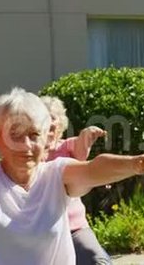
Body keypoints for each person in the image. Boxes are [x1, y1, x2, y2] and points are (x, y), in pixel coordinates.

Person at [0, 87, 144, 265]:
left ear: (47, 138)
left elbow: (93, 169)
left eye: (34, 134)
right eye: (15, 135)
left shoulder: (56, 174)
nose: (26, 145)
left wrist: (135, 164)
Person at [41, 96, 111, 265]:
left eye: (53, 121)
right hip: (42, 231)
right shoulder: (28, 153)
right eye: (43, 120)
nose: (49, 127)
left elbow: (80, 151)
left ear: (60, 126)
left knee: (97, 260)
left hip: (74, 227)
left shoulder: (66, 146)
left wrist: (87, 135)